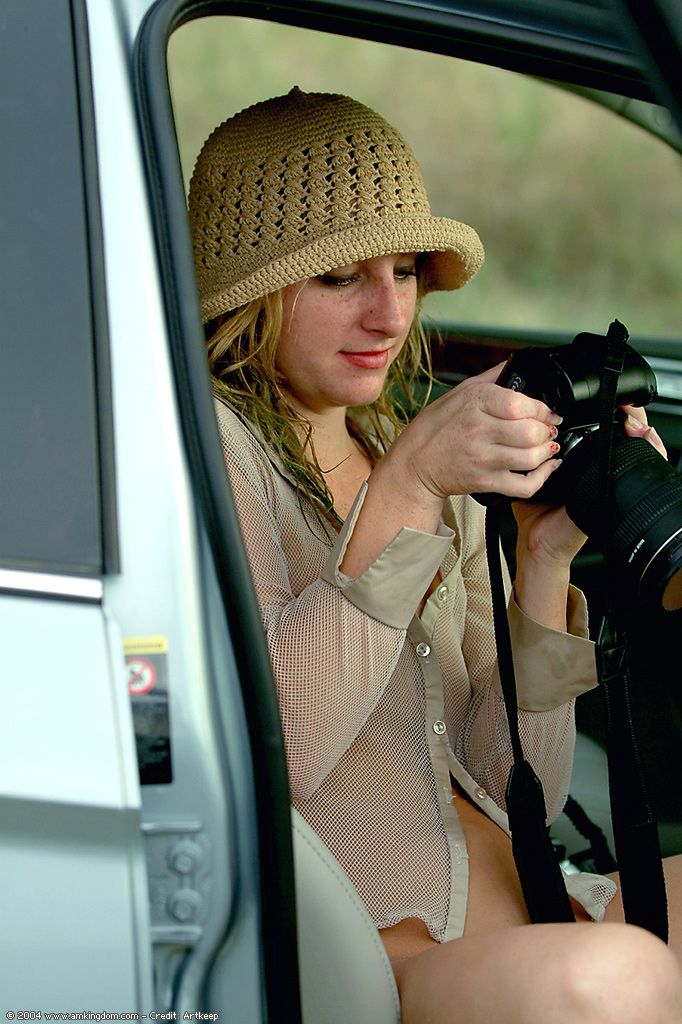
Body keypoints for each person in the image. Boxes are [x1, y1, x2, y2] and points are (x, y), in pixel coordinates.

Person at [188, 87, 682, 1022]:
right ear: (249, 291)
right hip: (385, 957)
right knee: (617, 979)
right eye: (341, 278)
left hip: (542, 898)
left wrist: (543, 562)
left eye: (406, 271)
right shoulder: (213, 448)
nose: (389, 314)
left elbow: (519, 784)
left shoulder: (420, 463)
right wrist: (410, 486)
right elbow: (275, 753)